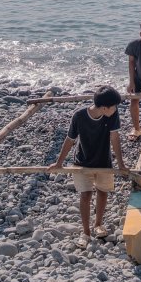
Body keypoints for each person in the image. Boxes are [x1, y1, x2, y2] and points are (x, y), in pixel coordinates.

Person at [51, 86, 128, 246]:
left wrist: (120, 164)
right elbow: (70, 139)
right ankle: (85, 232)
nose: (116, 109)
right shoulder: (79, 116)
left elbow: (115, 138)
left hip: (103, 162)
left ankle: (98, 224)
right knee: (85, 195)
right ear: (105, 107)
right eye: (114, 106)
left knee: (103, 191)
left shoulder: (111, 116)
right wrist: (59, 163)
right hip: (82, 162)